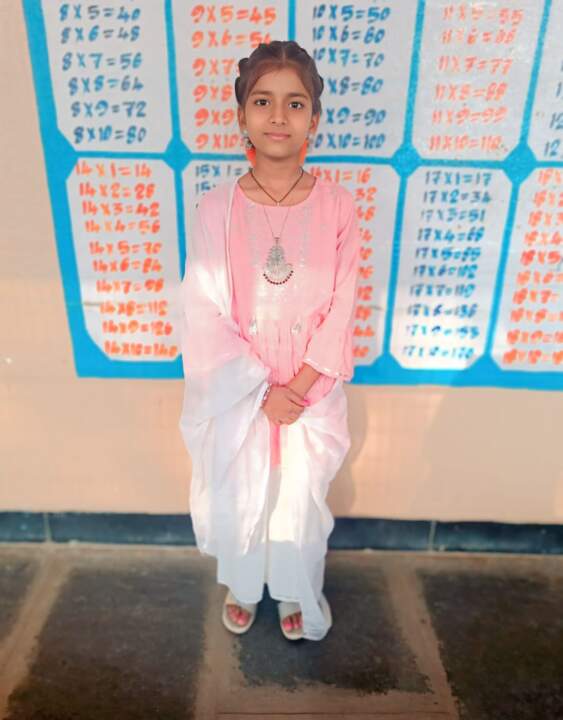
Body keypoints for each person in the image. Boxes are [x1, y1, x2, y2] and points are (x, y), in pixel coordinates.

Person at [178, 40, 360, 641]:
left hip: (310, 394)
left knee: (297, 501)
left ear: (315, 119)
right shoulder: (216, 208)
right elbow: (204, 309)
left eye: (295, 103)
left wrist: (297, 390)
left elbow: (342, 307)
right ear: (242, 115)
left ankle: (292, 588)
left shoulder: (337, 207)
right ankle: (244, 583)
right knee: (241, 492)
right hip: (241, 394)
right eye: (263, 101)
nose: (278, 116)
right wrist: (260, 392)